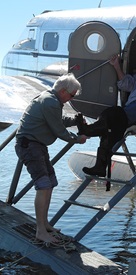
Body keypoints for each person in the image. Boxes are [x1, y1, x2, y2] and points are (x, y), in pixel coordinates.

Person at [15, 73, 88, 243]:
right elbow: (58, 130)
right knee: (43, 185)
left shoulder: (50, 99)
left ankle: (45, 223)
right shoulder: (50, 101)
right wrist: (78, 139)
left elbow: (57, 120)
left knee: (51, 182)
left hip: (36, 145)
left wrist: (75, 120)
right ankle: (40, 231)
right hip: (30, 145)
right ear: (63, 91)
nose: (72, 98)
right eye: (72, 95)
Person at [77, 51, 136, 177]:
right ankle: (100, 166)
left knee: (116, 114)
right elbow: (125, 84)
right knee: (110, 128)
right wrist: (116, 66)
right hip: (131, 107)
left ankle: (89, 130)